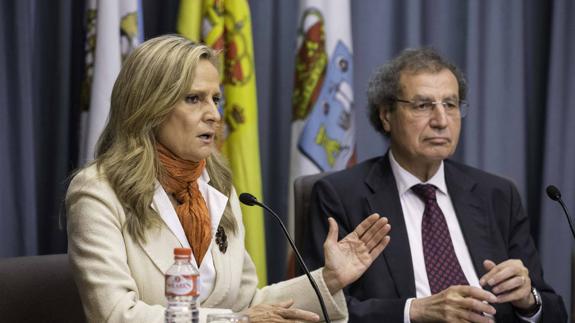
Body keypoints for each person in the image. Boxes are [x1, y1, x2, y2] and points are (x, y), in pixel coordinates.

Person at [66, 35, 392, 323]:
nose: (214, 115)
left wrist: (329, 280)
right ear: (148, 107)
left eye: (215, 99)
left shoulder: (216, 187)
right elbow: (115, 314)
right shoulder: (99, 194)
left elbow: (247, 303)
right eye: (194, 99)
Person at [302, 48, 567, 322]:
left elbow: (555, 312)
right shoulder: (342, 195)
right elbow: (321, 308)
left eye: (450, 105)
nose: (441, 121)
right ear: (386, 116)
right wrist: (414, 311)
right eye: (423, 106)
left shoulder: (497, 195)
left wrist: (528, 301)